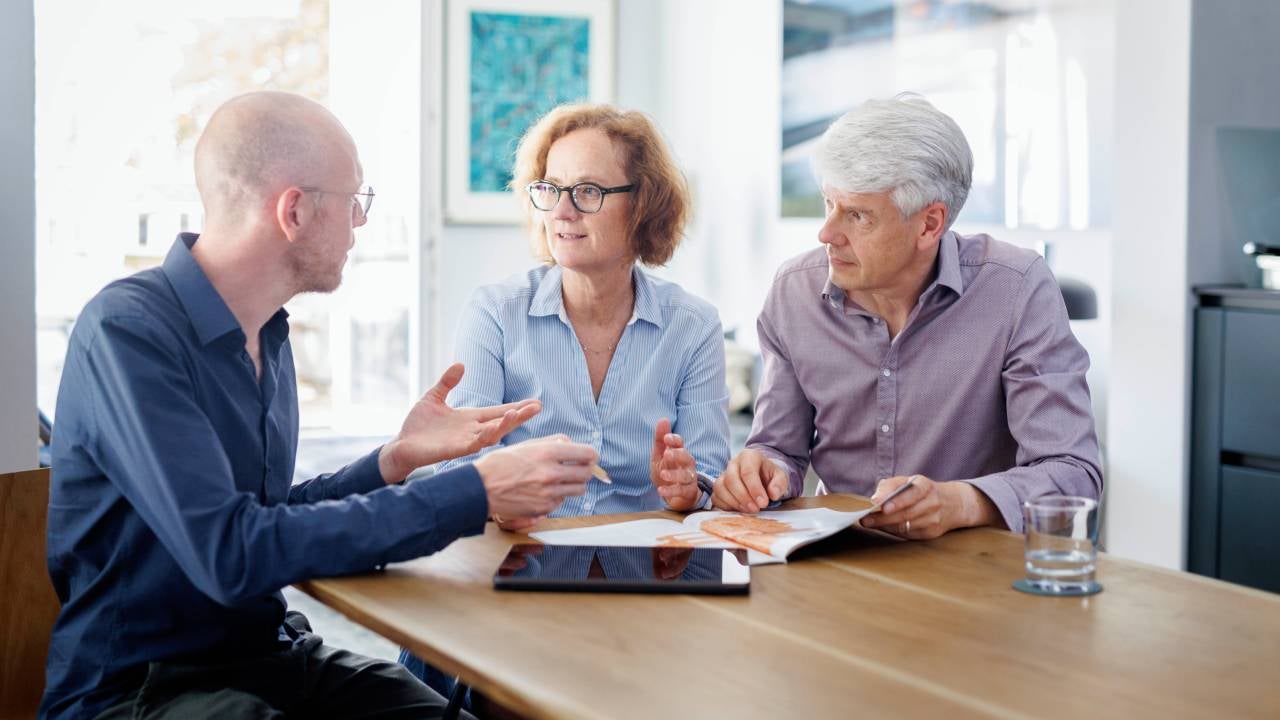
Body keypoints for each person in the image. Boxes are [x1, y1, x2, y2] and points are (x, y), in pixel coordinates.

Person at [41, 91, 599, 720]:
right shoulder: (129, 331)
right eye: (355, 200)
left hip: (269, 658)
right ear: (295, 210)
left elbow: (270, 519)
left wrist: (393, 460)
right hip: (142, 689)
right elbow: (233, 552)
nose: (360, 222)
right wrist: (475, 489)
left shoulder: (268, 336)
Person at [399, 102, 731, 705]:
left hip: (641, 586)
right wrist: (499, 498)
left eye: (587, 191)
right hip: (517, 570)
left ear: (644, 204)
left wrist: (689, 489)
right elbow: (455, 469)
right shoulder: (496, 313)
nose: (562, 211)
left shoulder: (694, 325)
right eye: (550, 189)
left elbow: (710, 481)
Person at [711, 93, 1102, 538]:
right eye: (829, 203)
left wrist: (960, 502)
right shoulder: (794, 291)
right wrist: (762, 472)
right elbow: (777, 447)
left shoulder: (1015, 289)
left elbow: (1072, 472)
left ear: (930, 224)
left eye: (857, 215)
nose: (827, 233)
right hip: (841, 564)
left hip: (972, 572)